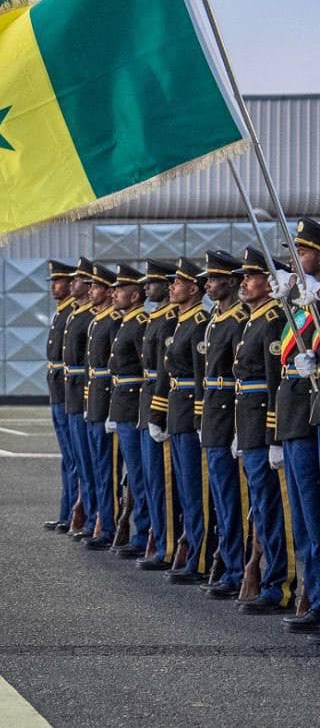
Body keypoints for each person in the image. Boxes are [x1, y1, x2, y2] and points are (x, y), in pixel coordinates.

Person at [232, 247, 295, 614]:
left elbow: (274, 384)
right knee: (259, 506)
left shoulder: (271, 319)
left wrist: (273, 437)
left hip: (262, 424)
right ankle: (268, 576)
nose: (245, 282)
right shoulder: (253, 319)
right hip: (248, 424)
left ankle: (278, 585)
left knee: (271, 508)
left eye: (251, 276)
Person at [275, 217, 320, 635]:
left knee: (315, 514)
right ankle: (312, 595)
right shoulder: (301, 302)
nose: (294, 260)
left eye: (301, 252)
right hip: (293, 415)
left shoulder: (314, 301)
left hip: (311, 415)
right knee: (304, 519)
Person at [156, 257, 213, 584]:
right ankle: (190, 550)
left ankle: (200, 559)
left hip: (191, 411)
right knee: (186, 489)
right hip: (178, 409)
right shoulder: (182, 321)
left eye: (177, 283)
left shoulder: (199, 322)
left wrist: (200, 417)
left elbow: (202, 377)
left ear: (193, 289)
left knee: (196, 490)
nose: (171, 287)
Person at [197, 250, 247, 599]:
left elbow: (242, 375)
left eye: (214, 279)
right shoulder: (216, 319)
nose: (208, 284)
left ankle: (238, 570)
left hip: (230, 414)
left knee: (233, 499)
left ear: (230, 282)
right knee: (219, 496)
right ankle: (228, 565)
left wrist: (237, 428)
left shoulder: (238, 319)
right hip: (213, 413)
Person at [138, 259, 181, 571]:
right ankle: (158, 539)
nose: (146, 288)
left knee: (164, 483)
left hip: (162, 402)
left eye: (151, 283)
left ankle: (168, 547)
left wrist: (158, 410)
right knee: (151, 480)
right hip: (147, 398)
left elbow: (165, 371)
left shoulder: (169, 320)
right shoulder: (156, 318)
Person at [105, 264, 150, 558]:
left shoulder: (140, 322)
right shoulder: (126, 322)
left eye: (119, 290)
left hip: (134, 405)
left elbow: (148, 370)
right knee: (131, 473)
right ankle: (139, 530)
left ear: (134, 296)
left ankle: (143, 533)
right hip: (122, 403)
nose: (114, 294)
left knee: (138, 475)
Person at [82, 262, 122, 549]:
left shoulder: (113, 321)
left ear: (108, 292)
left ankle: (110, 526)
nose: (90, 291)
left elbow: (118, 369)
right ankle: (98, 520)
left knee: (109, 471)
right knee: (96, 467)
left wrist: (109, 409)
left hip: (108, 401)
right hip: (95, 400)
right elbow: (92, 369)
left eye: (96, 287)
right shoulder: (97, 320)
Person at [62, 258, 98, 537]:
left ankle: (93, 516)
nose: (71, 284)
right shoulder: (76, 314)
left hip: (84, 393)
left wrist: (87, 398)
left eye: (77, 280)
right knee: (76, 460)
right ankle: (78, 512)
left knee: (90, 462)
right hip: (70, 391)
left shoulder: (89, 317)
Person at [44, 260, 80, 532]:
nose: (54, 286)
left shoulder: (72, 312)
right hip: (58, 389)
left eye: (58, 281)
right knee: (67, 457)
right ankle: (66, 512)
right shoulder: (61, 313)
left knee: (75, 458)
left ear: (70, 284)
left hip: (70, 391)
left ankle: (75, 514)